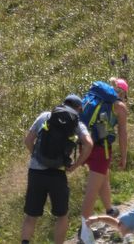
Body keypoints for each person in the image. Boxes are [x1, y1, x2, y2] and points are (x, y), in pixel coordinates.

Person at [22, 95, 93, 244]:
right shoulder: (76, 123)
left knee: (31, 216)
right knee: (62, 215)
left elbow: (28, 140)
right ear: (79, 108)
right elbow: (89, 144)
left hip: (36, 172)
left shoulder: (45, 116)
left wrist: (36, 155)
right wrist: (75, 166)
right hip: (58, 174)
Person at [80, 78, 129, 224]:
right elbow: (122, 134)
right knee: (92, 191)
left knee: (103, 175)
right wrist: (124, 156)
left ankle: (109, 209)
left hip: (84, 143)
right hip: (101, 149)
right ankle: (83, 230)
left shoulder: (96, 97)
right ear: (123, 93)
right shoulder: (120, 107)